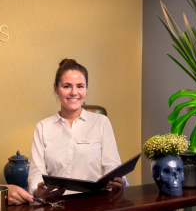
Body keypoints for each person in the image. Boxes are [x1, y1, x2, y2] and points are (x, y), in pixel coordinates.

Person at [28, 59, 127, 198]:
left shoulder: (101, 122)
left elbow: (113, 167)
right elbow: (35, 174)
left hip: (95, 203)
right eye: (67, 86)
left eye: (80, 86)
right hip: (55, 205)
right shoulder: (43, 127)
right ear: (56, 88)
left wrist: (120, 180)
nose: (74, 92)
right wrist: (37, 191)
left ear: (86, 88)